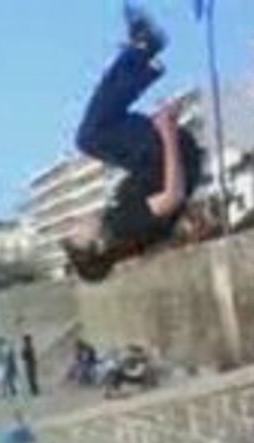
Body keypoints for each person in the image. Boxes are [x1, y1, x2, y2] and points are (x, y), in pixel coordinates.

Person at [63, 4, 204, 283]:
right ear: (97, 244)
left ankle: (142, 56)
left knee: (91, 138)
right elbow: (172, 196)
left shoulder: (119, 228)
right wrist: (168, 132)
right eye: (78, 235)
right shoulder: (124, 225)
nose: (76, 225)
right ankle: (142, 51)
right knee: (91, 136)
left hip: (153, 161)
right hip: (168, 156)